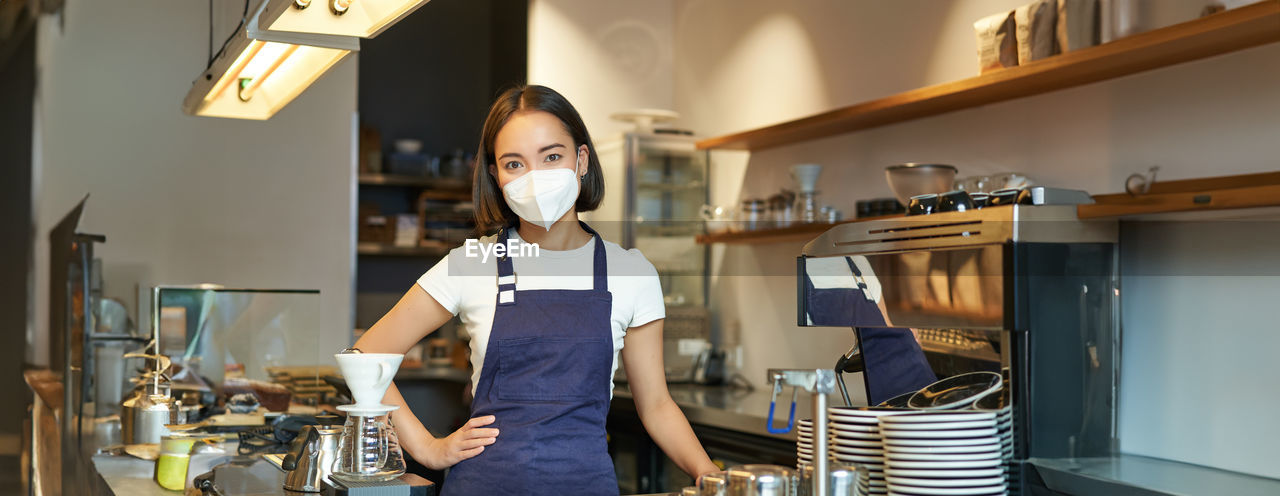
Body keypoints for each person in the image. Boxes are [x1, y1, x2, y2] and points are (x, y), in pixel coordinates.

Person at [351, 85, 719, 494]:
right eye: (514, 163)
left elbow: (657, 406)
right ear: (495, 175)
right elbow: (365, 356)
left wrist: (712, 477)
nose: (535, 177)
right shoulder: (471, 263)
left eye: (552, 156)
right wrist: (427, 448)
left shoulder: (631, 272)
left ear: (581, 160)